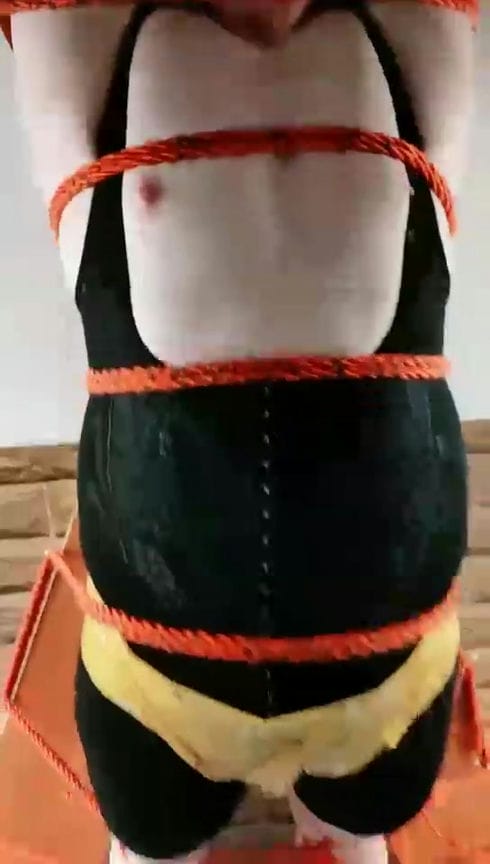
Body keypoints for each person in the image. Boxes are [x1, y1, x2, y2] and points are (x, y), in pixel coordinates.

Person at [7, 1, 475, 862]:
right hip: (155, 689)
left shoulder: (423, 23)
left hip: (387, 689)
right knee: (153, 851)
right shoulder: (79, 24)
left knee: (360, 841)